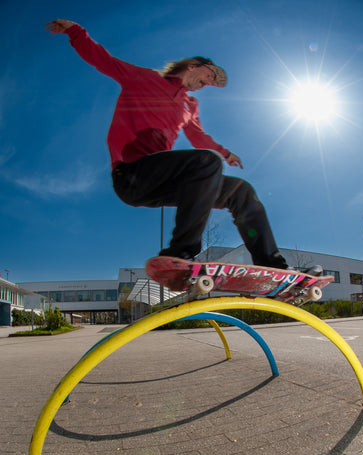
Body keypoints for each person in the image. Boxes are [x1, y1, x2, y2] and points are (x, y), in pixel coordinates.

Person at [46, 19, 289, 269]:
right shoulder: (143, 78)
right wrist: (75, 32)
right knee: (207, 162)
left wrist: (226, 153)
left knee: (241, 190)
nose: (207, 85)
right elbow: (104, 60)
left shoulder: (189, 106)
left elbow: (199, 138)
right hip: (132, 173)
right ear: (194, 66)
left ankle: (272, 264)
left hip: (163, 180)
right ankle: (180, 253)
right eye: (208, 77)